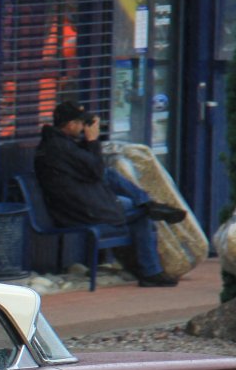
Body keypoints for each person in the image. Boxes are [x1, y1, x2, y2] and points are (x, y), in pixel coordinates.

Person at [33, 100, 188, 288]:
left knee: (113, 177)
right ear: (71, 124)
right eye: (81, 123)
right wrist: (92, 141)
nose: (84, 128)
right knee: (142, 214)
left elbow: (92, 170)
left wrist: (88, 143)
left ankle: (147, 205)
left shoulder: (59, 143)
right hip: (79, 211)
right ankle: (150, 270)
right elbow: (95, 170)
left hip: (83, 203)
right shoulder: (59, 147)